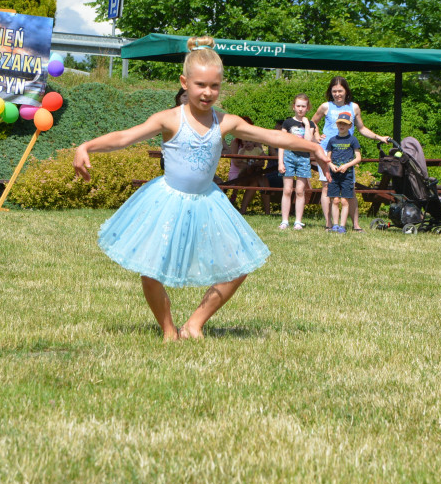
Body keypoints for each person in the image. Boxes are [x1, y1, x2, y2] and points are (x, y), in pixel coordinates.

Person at [73, 36, 330, 342]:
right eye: (200, 85)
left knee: (240, 265)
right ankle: (168, 329)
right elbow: (124, 137)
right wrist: (87, 145)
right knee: (151, 269)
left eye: (214, 86)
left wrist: (313, 147)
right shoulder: (169, 119)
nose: (208, 92)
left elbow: (275, 137)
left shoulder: (225, 121)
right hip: (167, 200)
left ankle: (195, 324)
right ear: (185, 82)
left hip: (209, 202)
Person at [311, 76, 389, 230]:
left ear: (346, 91)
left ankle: (356, 225)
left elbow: (362, 128)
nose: (337, 94)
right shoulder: (325, 106)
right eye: (334, 91)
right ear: (330, 92)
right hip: (328, 152)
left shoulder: (354, 107)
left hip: (347, 154)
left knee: (350, 188)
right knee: (327, 186)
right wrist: (316, 135)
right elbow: (313, 122)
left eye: (340, 91)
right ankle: (329, 224)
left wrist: (379, 137)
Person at [278, 94, 317, 230]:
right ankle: (284, 220)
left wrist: (306, 125)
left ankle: (298, 221)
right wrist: (280, 162)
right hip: (288, 156)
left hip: (303, 157)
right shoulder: (287, 123)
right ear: (294, 107)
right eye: (298, 106)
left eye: (303, 106)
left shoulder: (310, 124)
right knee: (287, 190)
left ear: (307, 108)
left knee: (300, 190)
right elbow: (281, 142)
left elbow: (307, 142)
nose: (300, 109)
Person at [325, 109, 362, 233]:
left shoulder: (353, 140)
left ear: (350, 125)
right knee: (334, 200)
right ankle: (335, 225)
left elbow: (358, 158)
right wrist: (331, 165)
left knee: (345, 200)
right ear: (336, 124)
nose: (342, 126)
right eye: (340, 123)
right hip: (334, 175)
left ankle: (342, 226)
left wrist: (347, 165)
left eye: (345, 124)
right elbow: (327, 158)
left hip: (347, 175)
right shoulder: (332, 140)